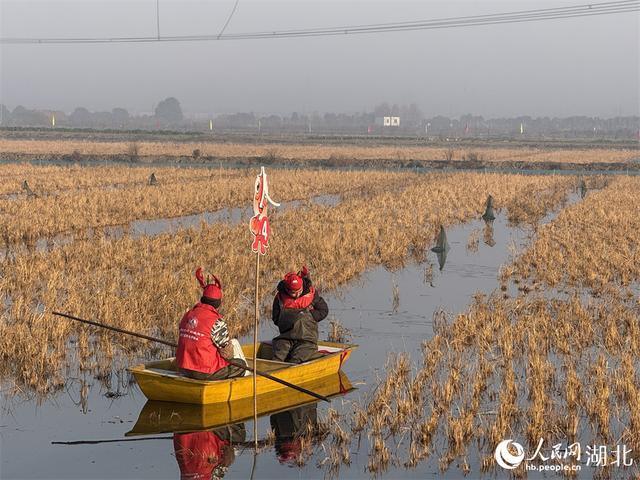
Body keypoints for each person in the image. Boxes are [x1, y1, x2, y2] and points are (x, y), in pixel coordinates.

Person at [176, 267, 248, 380]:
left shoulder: (188, 315)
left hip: (183, 367)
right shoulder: (216, 322)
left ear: (202, 299)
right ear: (218, 303)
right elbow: (226, 353)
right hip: (203, 371)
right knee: (240, 365)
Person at [271, 266, 328, 363]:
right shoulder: (280, 298)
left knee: (296, 360)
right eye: (293, 293)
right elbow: (275, 317)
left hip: (307, 340)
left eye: (299, 291)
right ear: (287, 289)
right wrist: (287, 322)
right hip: (285, 337)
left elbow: (323, 310)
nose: (297, 295)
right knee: (277, 358)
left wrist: (310, 315)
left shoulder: (312, 295)